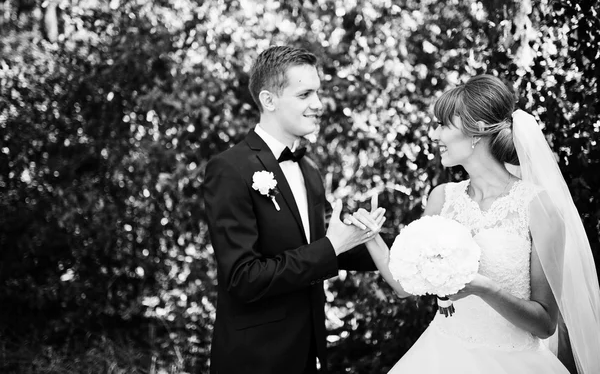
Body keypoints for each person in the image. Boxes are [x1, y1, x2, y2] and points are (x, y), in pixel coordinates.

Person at [354, 74, 600, 374]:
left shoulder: (538, 206)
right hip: (441, 356)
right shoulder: (442, 198)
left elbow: (545, 323)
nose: (435, 134)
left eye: (444, 125)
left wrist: (485, 288)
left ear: (476, 132)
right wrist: (371, 236)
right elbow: (405, 287)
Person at [203, 45, 386, 374]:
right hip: (255, 360)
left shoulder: (309, 172)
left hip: (307, 354)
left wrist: (417, 247)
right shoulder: (230, 169)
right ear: (269, 100)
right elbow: (244, 278)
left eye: (318, 93)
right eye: (305, 94)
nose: (318, 105)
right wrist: (331, 248)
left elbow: (329, 245)